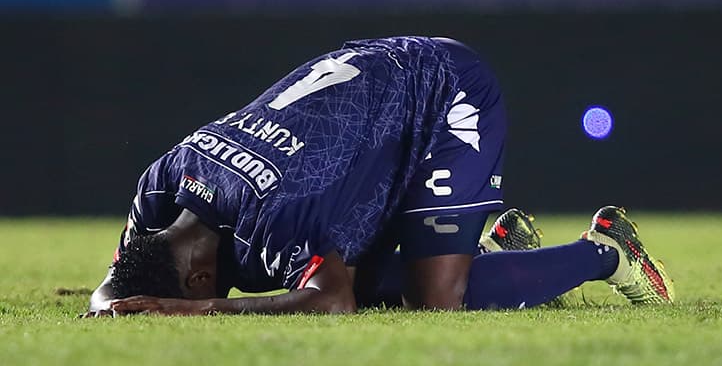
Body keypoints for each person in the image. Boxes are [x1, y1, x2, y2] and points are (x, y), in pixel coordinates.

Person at [84, 36, 674, 316]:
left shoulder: (276, 217)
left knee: (435, 300)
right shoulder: (157, 186)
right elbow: (124, 274)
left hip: (442, 91)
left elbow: (331, 303)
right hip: (373, 102)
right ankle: (501, 249)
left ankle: (603, 251)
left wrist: (200, 314)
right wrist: (108, 301)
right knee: (360, 287)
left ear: (199, 280)